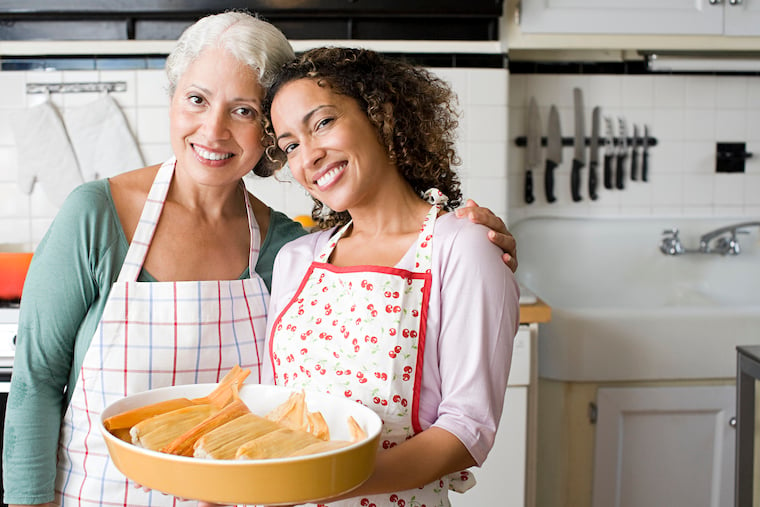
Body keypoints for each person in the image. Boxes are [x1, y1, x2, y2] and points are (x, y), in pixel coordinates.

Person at [2, 11, 517, 507]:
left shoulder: (284, 246)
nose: (214, 129)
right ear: (173, 102)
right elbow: (36, 380)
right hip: (98, 494)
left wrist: (475, 244)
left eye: (244, 110)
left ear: (266, 140)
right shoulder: (96, 215)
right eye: (197, 99)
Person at [261, 47, 520, 506]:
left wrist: (329, 480)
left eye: (322, 122)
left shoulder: (462, 248)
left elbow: (467, 427)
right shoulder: (296, 258)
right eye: (291, 145)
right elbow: (275, 409)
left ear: (381, 115)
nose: (309, 156)